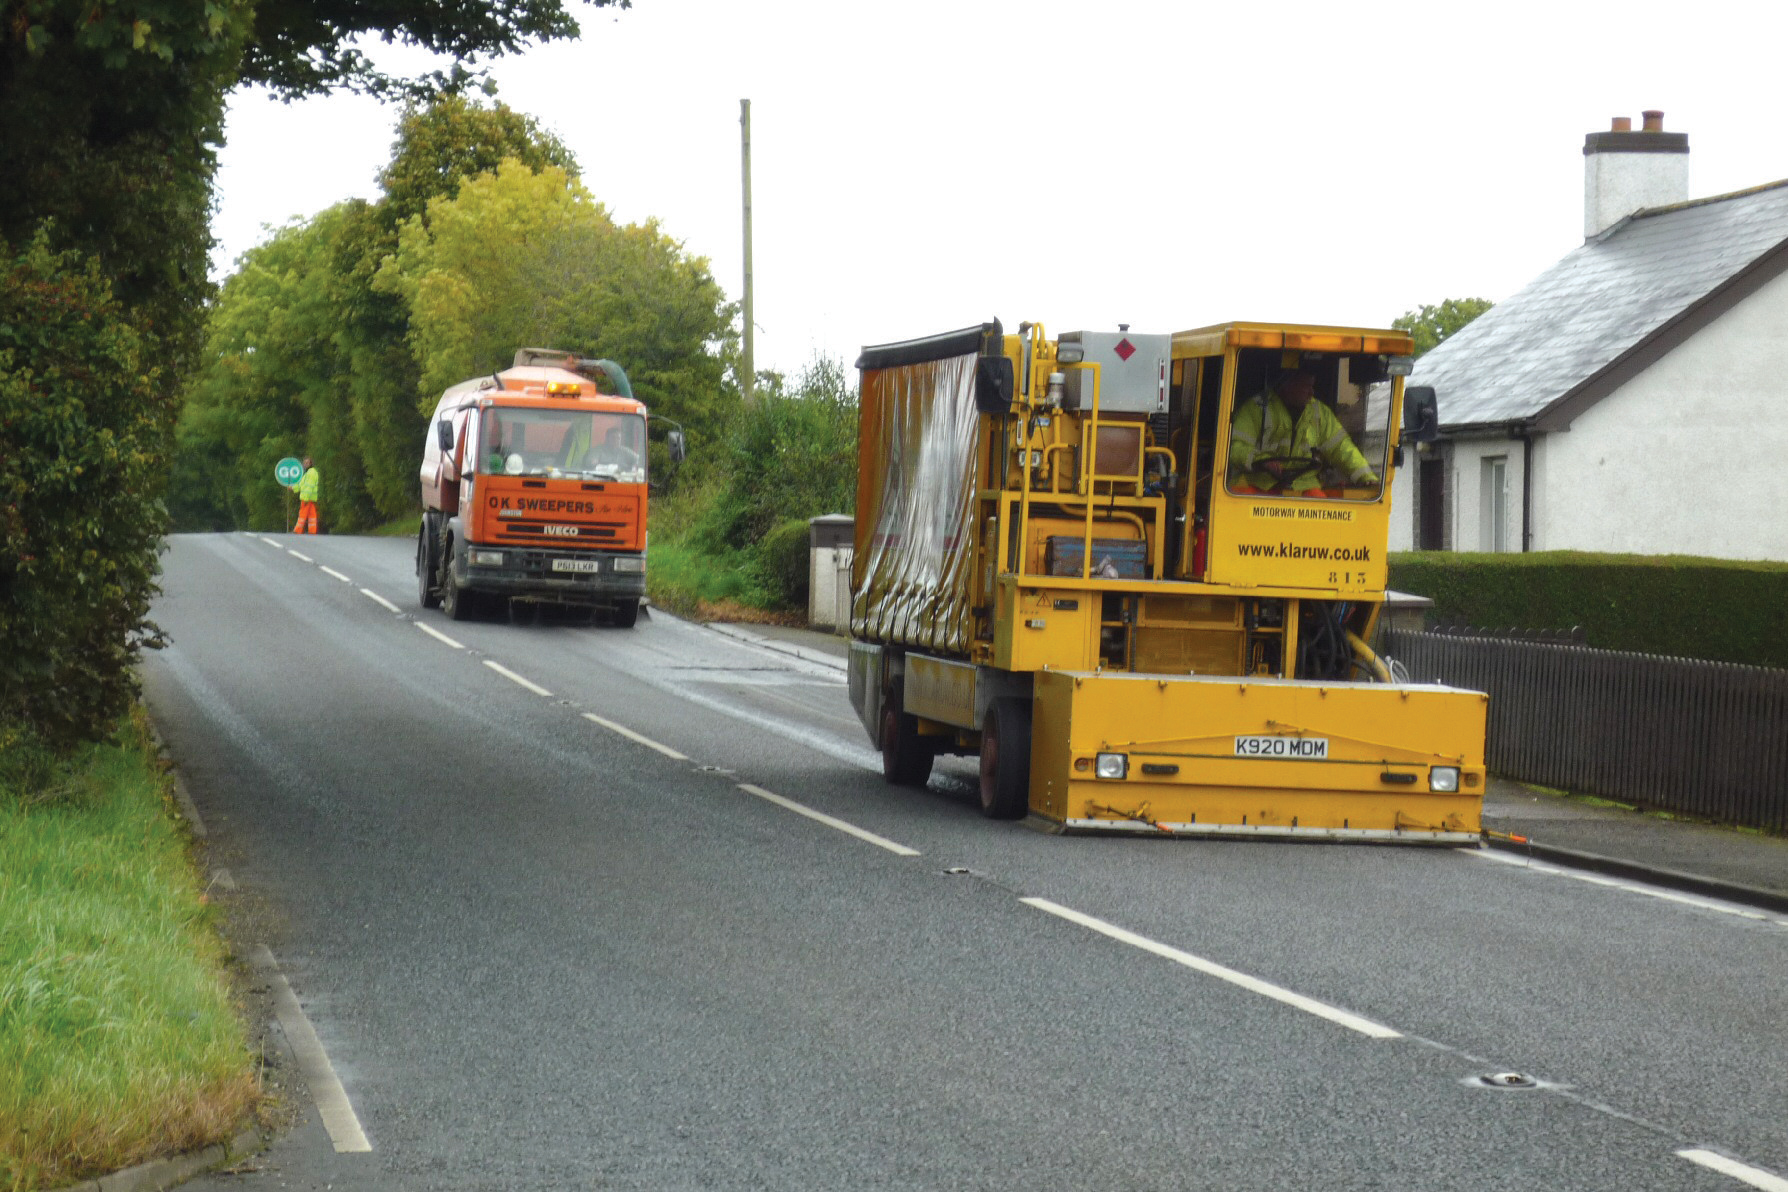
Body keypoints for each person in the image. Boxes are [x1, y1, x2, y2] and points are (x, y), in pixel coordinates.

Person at [1228, 370, 1377, 494]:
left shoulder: (1319, 413)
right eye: (1307, 386)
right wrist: (1262, 461)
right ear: (1287, 385)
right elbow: (1234, 447)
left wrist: (1365, 476)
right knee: (1236, 503)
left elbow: (1342, 448)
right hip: (1259, 483)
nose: (1312, 392)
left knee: (1329, 516)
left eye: (1312, 386)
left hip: (1303, 487)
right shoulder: (1256, 408)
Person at [290, 457, 321, 533]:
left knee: (302, 514)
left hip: (306, 497)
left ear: (311, 464)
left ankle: (297, 530)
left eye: (307, 463)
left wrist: (306, 498)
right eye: (304, 463)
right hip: (310, 498)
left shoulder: (311, 473)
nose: (305, 464)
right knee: (312, 515)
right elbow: (301, 485)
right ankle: (312, 531)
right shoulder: (308, 473)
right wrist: (293, 488)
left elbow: (309, 486)